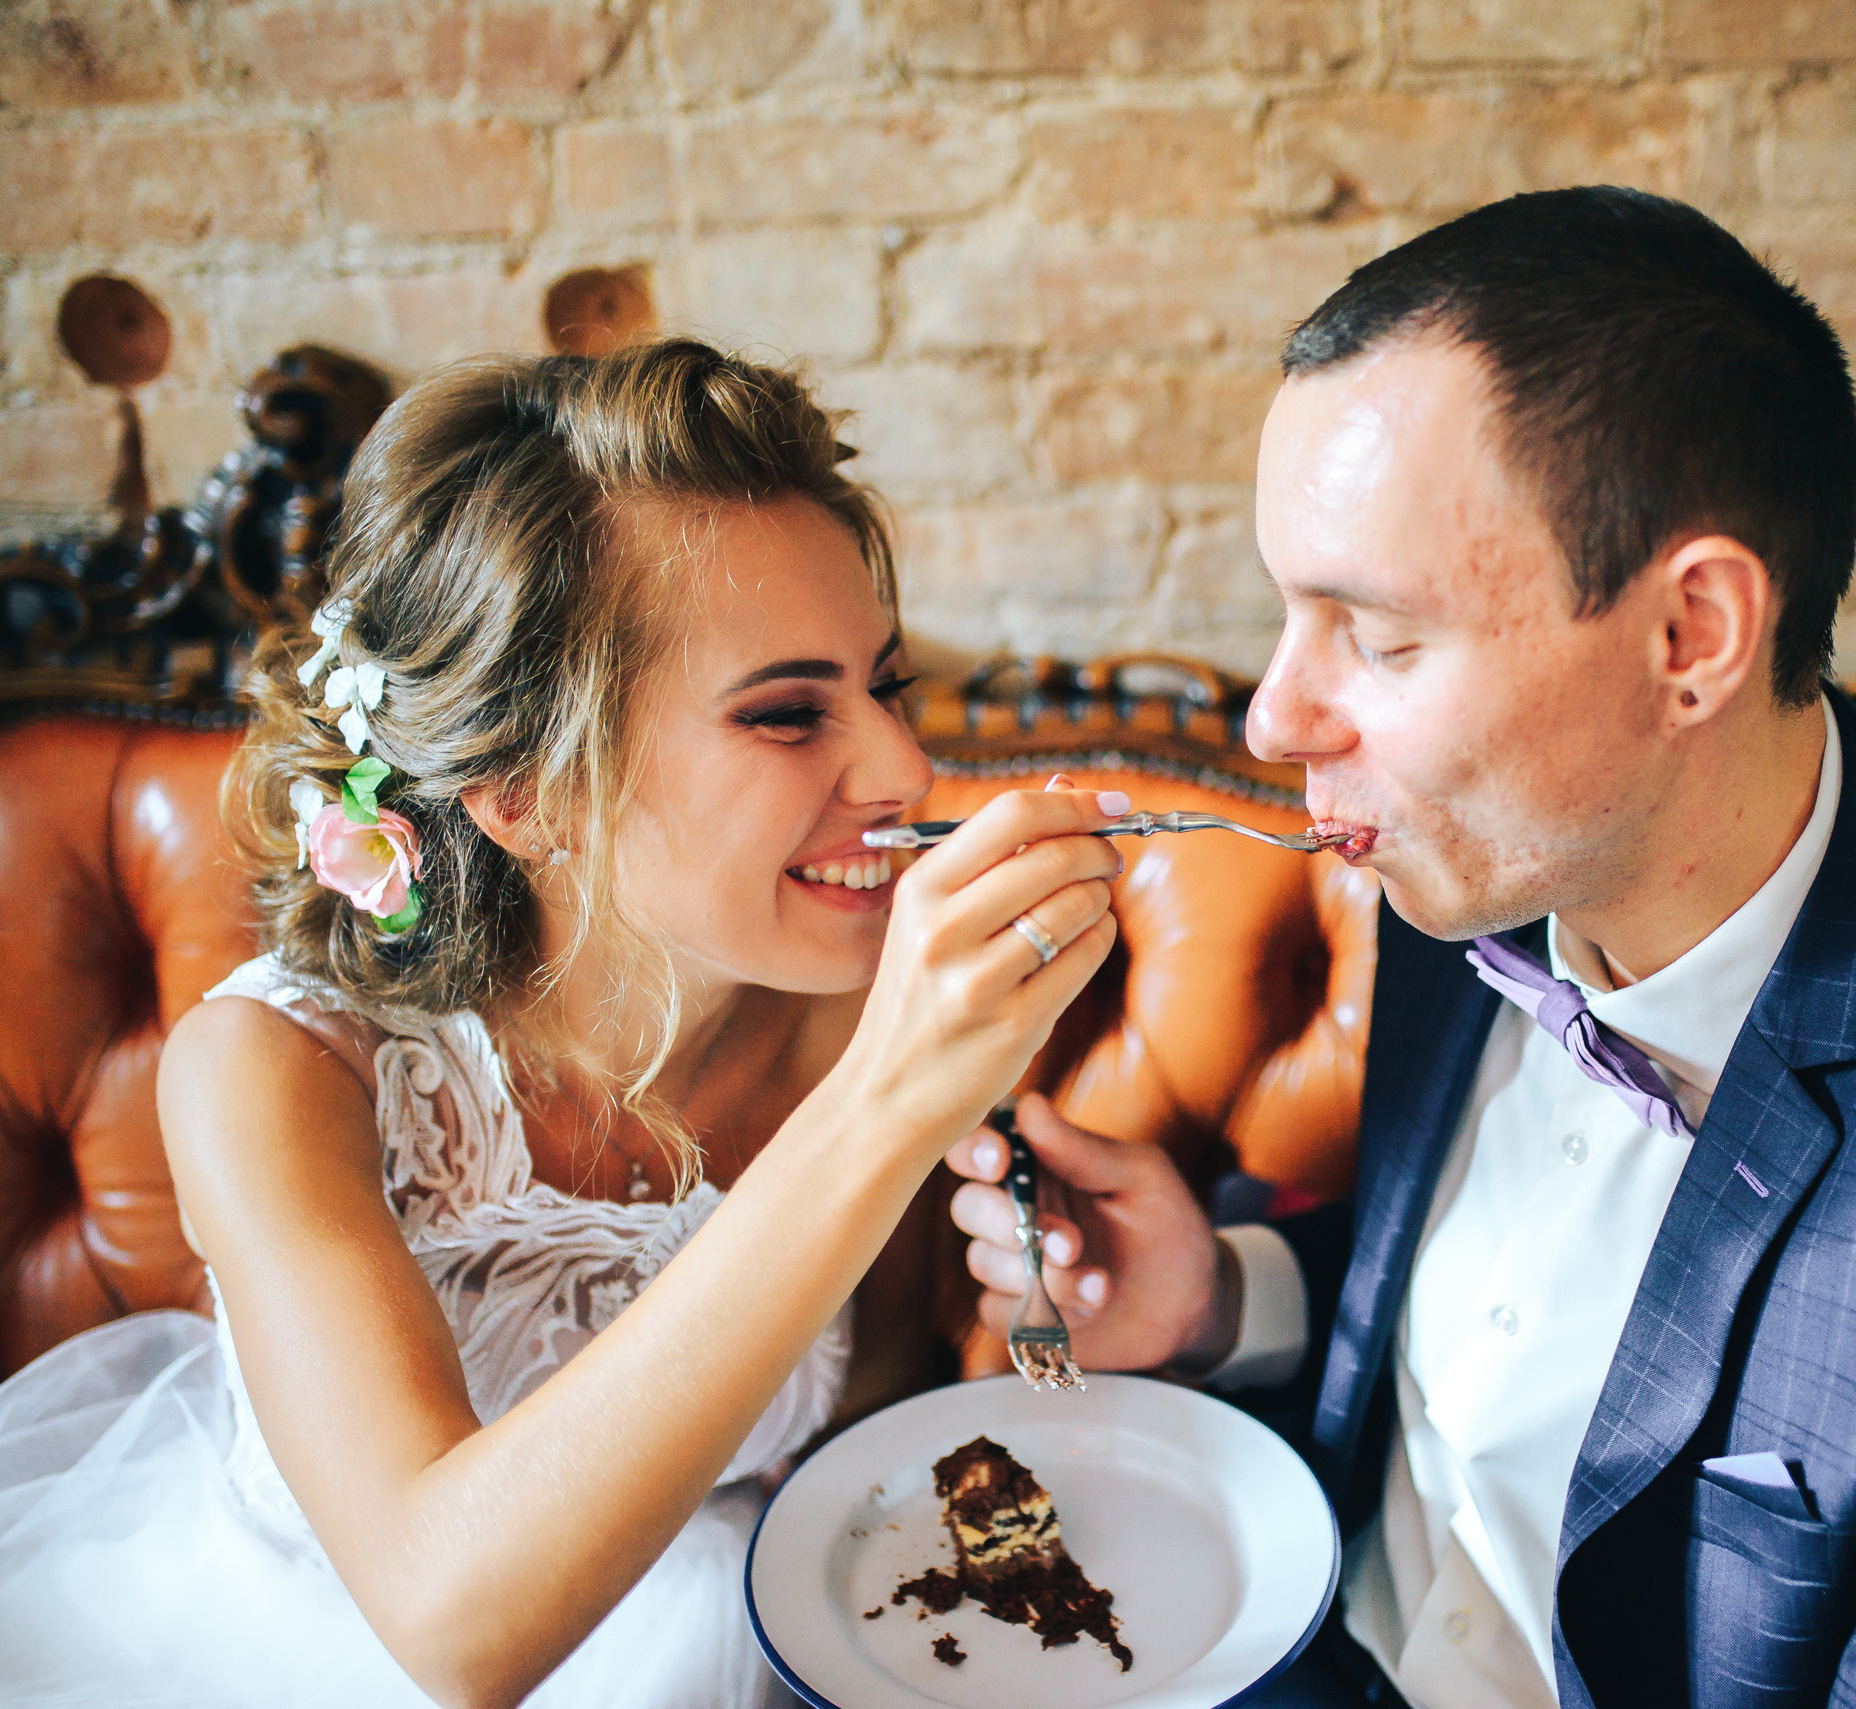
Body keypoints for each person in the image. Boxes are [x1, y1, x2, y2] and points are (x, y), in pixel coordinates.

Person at [947, 188, 1856, 1707]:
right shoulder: (1480, 849)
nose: (1274, 719)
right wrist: (1227, 1296)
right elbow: (1508, 1318)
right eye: (1288, 616)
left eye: (1379, 639)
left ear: (1692, 635)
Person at [0, 339, 1127, 1709]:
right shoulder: (276, 1071)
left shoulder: (875, 1001)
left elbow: (870, 1455)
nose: (903, 769)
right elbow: (449, 1624)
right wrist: (885, 1107)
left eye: (884, 685)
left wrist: (1103, 1300)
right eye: (786, 714)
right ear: (523, 791)